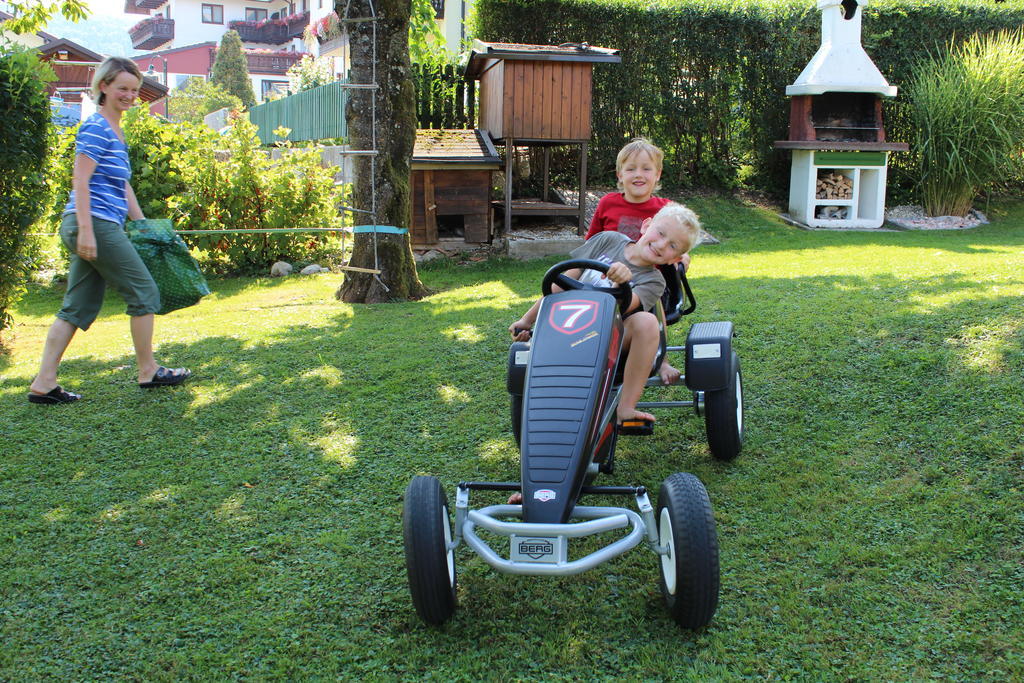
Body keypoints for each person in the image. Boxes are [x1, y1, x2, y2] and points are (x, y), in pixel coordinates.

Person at [27, 57, 190, 405]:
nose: (130, 96)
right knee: (144, 292)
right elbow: (80, 180)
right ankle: (148, 370)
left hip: (100, 224)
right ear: (104, 87)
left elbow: (122, 185)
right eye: (122, 89)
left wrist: (144, 225)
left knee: (76, 306)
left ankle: (44, 382)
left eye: (134, 90)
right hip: (94, 223)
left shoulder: (116, 131)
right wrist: (87, 230)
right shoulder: (97, 127)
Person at [510, 202, 701, 426]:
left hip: (610, 334)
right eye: (660, 233)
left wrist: (623, 282)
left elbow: (625, 308)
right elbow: (559, 287)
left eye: (672, 246)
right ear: (646, 225)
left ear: (674, 260)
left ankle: (626, 408)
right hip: (568, 326)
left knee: (647, 322)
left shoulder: (654, 281)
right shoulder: (607, 240)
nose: (661, 244)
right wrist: (527, 321)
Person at [585, 138, 691, 384]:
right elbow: (592, 241)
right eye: (631, 169)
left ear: (657, 175)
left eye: (646, 168)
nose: (638, 174)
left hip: (650, 278)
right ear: (620, 175)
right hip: (607, 274)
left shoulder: (666, 209)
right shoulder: (608, 203)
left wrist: (682, 262)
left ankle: (660, 358)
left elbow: (681, 246)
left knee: (654, 306)